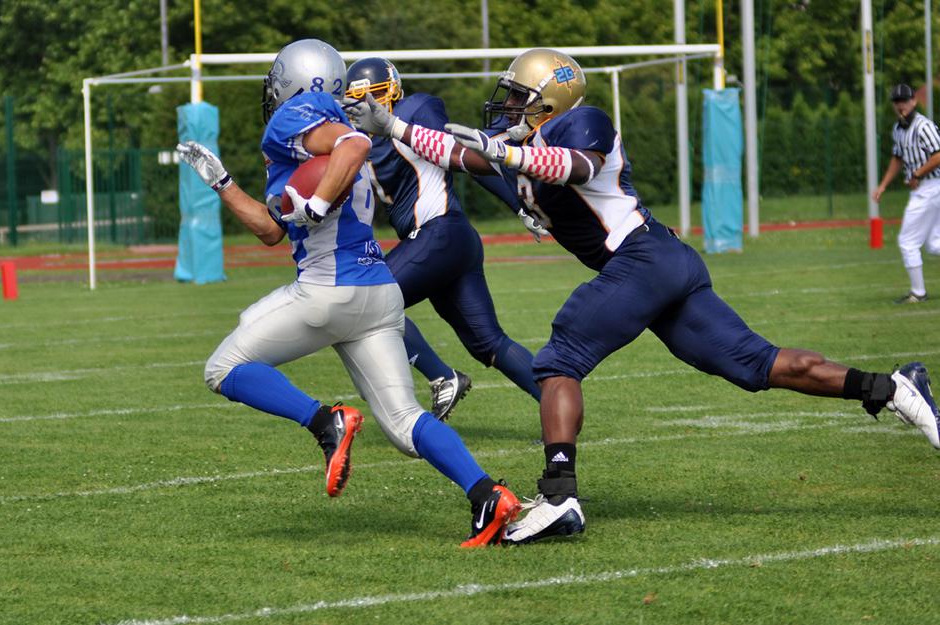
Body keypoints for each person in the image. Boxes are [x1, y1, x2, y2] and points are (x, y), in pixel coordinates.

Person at [345, 48, 940, 545]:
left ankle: (559, 497)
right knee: (757, 365)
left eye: (520, 96)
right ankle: (892, 388)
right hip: (657, 265)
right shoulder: (521, 141)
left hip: (643, 257)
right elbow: (462, 153)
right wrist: (394, 128)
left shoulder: (583, 122)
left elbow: (574, 167)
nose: (508, 107)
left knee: (558, 360)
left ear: (550, 99)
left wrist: (505, 153)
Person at [176, 38, 520, 547]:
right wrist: (222, 182)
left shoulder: (298, 115)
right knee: (405, 424)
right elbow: (271, 230)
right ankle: (488, 495)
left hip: (328, 291)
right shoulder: (326, 124)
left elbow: (353, 147)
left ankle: (325, 422)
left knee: (222, 369)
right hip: (378, 294)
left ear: (293, 80)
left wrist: (315, 205)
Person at [342, 57, 542, 416]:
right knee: (488, 343)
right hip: (441, 243)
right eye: (358, 99)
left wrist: (518, 205)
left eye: (375, 95)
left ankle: (441, 377)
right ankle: (559, 408)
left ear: (393, 92)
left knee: (366, 299)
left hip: (440, 233)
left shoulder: (414, 110)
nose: (368, 105)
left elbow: (462, 157)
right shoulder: (355, 140)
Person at [873, 82, 940, 304]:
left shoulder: (923, 126)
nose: (900, 104)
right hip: (925, 188)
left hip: (931, 187)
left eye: (904, 100)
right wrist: (883, 185)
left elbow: (938, 155)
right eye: (897, 101)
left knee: (907, 241)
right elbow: (897, 158)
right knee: (933, 244)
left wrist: (917, 174)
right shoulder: (898, 128)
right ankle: (918, 291)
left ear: (914, 101)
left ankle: (918, 292)